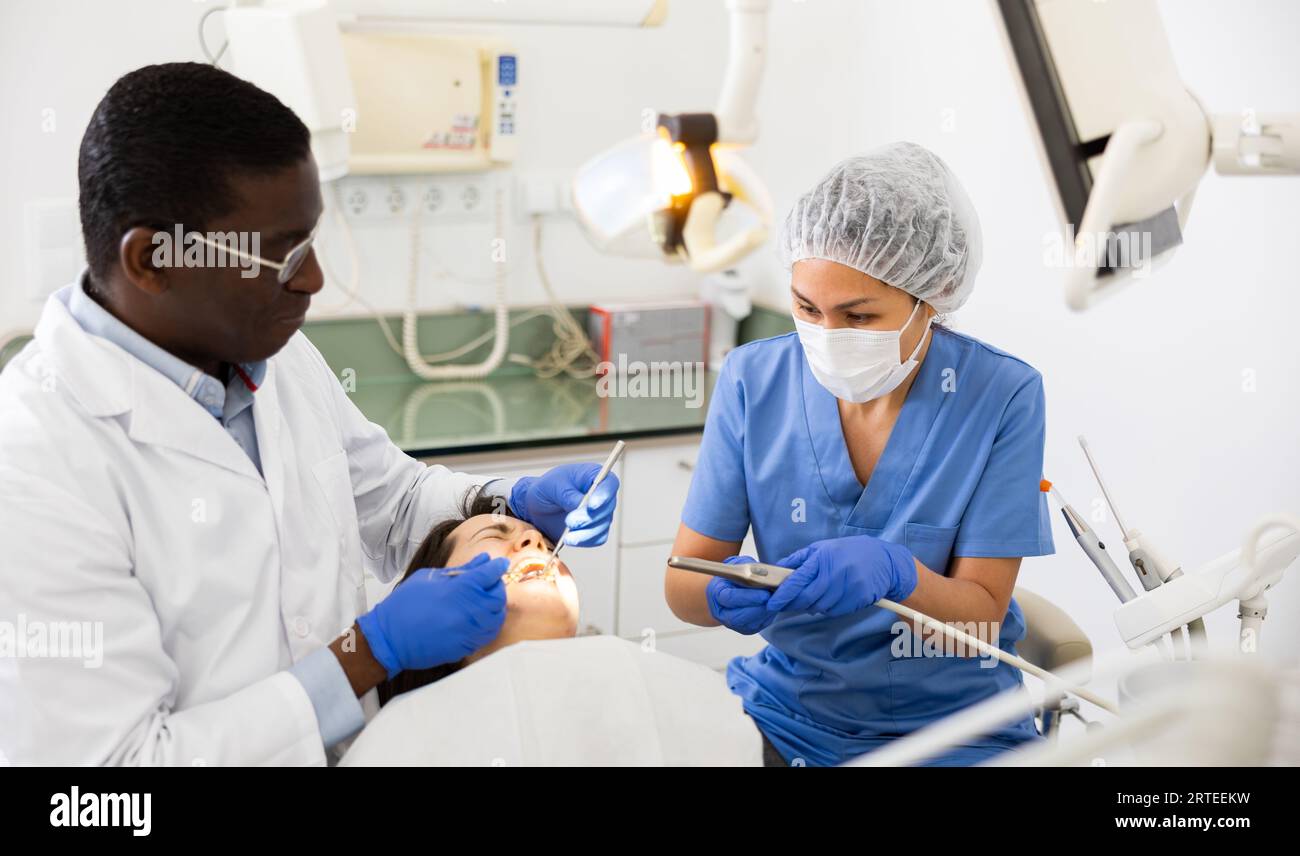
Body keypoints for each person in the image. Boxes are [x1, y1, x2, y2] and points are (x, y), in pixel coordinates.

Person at [0, 63, 618, 765]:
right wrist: (367, 655)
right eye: (280, 254)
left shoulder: (267, 348)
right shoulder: (33, 465)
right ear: (151, 259)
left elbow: (388, 498)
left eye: (311, 240)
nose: (314, 279)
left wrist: (505, 500)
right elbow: (107, 787)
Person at [664, 142, 1055, 766]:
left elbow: (980, 620)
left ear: (935, 294)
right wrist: (715, 597)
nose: (827, 335)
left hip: (955, 732)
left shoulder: (1001, 395)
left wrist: (901, 574)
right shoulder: (752, 379)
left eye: (859, 314)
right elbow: (683, 581)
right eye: (806, 307)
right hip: (782, 715)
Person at [340, 489, 763, 766]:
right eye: (495, 535)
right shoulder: (401, 742)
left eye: (542, 541)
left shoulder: (667, 687)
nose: (536, 543)